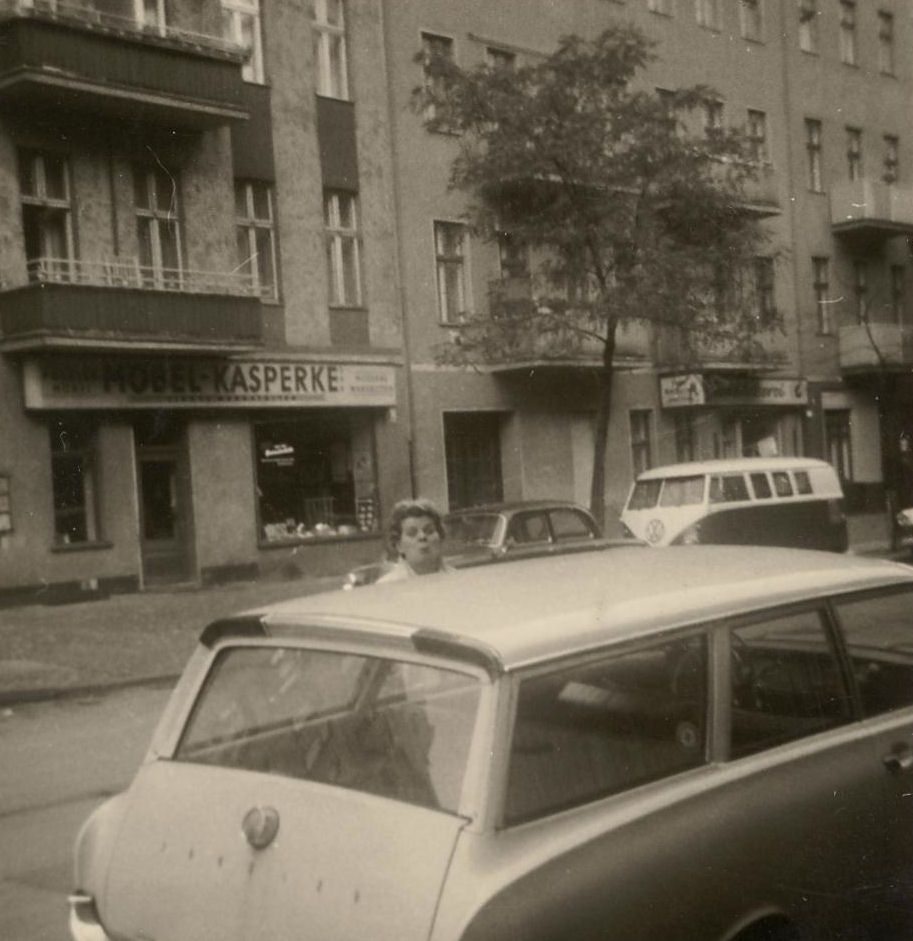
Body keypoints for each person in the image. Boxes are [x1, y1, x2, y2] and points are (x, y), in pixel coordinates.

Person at [376, 498, 455, 583]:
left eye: (429, 531)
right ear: (399, 546)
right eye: (412, 533)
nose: (422, 536)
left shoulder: (458, 578)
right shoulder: (387, 585)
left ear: (440, 537)